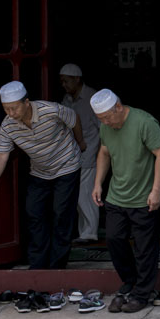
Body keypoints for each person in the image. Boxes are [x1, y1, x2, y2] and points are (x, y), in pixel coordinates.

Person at [0, 81, 83, 269]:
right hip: (40, 172)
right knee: (34, 213)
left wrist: (80, 143)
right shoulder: (8, 125)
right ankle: (37, 265)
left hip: (67, 166)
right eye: (6, 109)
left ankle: (57, 266)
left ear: (26, 102)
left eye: (14, 108)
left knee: (61, 215)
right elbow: (2, 154)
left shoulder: (51, 110)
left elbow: (74, 118)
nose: (10, 114)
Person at [91, 89, 160, 314]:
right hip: (117, 195)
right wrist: (98, 184)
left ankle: (142, 293)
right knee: (114, 239)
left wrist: (156, 190)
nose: (105, 123)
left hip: (143, 198)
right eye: (101, 120)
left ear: (118, 107)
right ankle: (130, 282)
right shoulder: (106, 125)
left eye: (107, 117)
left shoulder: (144, 122)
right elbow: (104, 152)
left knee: (145, 248)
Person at [60, 63, 101, 242]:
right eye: (62, 82)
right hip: (72, 154)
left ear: (77, 79)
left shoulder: (92, 98)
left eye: (67, 81)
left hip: (90, 152)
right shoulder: (67, 100)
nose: (64, 85)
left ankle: (90, 232)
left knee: (86, 193)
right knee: (79, 194)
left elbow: (103, 128)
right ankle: (85, 231)